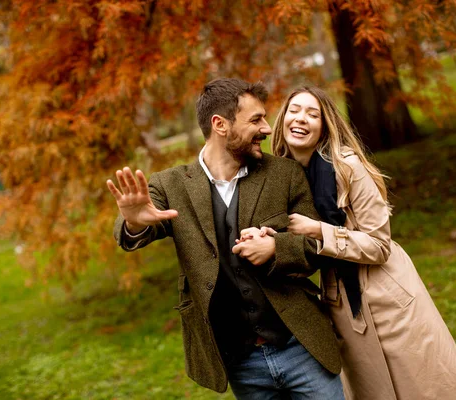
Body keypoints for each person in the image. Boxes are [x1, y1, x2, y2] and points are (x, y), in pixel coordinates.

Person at [106, 78, 345, 399]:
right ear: (220, 125)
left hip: (301, 347)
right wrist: (134, 223)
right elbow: (129, 232)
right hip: (241, 362)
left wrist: (276, 247)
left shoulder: (285, 174)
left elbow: (317, 245)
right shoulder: (170, 186)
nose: (268, 128)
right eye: (256, 120)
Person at [246, 86, 456, 399]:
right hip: (342, 303)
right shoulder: (282, 179)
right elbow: (300, 248)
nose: (301, 119)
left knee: (420, 387)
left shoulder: (347, 167)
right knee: (374, 390)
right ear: (283, 117)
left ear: (324, 126)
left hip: (385, 295)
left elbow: (379, 245)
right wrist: (274, 240)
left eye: (312, 114)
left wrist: (319, 230)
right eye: (294, 110)